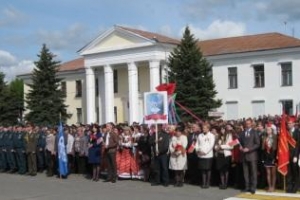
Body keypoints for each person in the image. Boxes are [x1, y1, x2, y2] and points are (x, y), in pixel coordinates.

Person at [239, 119, 260, 194]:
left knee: (253, 173)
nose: (247, 125)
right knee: (245, 173)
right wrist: (240, 147)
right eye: (246, 124)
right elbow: (240, 142)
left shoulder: (255, 132)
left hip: (252, 156)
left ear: (251, 124)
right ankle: (247, 187)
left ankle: (253, 187)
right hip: (244, 156)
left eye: (249, 123)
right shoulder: (242, 133)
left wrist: (249, 149)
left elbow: (257, 144)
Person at [195, 123, 215, 188]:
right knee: (202, 169)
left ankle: (207, 183)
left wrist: (205, 152)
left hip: (208, 155)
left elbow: (211, 145)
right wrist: (197, 150)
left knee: (208, 169)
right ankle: (203, 183)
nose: (203, 129)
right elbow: (197, 143)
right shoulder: (200, 135)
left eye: (204, 128)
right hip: (200, 154)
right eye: (203, 128)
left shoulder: (211, 135)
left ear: (208, 128)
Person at [261, 125, 277, 192]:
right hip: (266, 157)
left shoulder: (275, 137)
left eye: (269, 130)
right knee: (268, 173)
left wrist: (276, 158)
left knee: (273, 173)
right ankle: (269, 186)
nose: (268, 131)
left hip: (273, 157)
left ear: (272, 130)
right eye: (267, 130)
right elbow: (262, 149)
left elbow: (277, 148)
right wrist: (262, 158)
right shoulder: (264, 137)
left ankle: (273, 186)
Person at [286, 116, 300, 193]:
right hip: (287, 155)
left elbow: (298, 145)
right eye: (288, 123)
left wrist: (295, 156)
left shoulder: (297, 132)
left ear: (294, 124)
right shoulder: (287, 132)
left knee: (295, 171)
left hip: (295, 155)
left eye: (290, 123)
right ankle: (289, 186)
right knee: (289, 172)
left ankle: (296, 186)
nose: (289, 125)